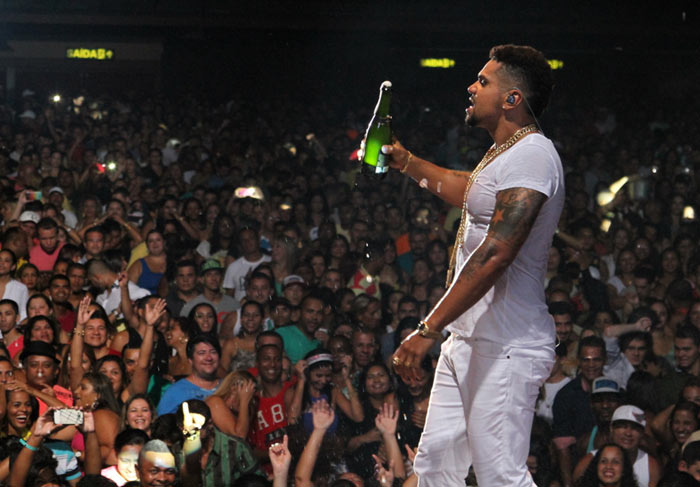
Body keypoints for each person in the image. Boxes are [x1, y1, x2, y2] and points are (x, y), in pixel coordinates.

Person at [387, 44, 562, 487]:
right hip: (468, 340)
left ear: (512, 100)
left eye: (483, 81)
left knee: (501, 475)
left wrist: (426, 329)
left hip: (506, 346)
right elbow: (471, 190)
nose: (471, 86)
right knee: (434, 470)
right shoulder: (507, 154)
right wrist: (408, 163)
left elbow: (495, 253)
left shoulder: (534, 155)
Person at [157, 335, 222, 415]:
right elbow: (163, 424)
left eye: (213, 352)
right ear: (190, 360)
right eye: (202, 353)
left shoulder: (228, 386)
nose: (208, 358)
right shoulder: (176, 391)